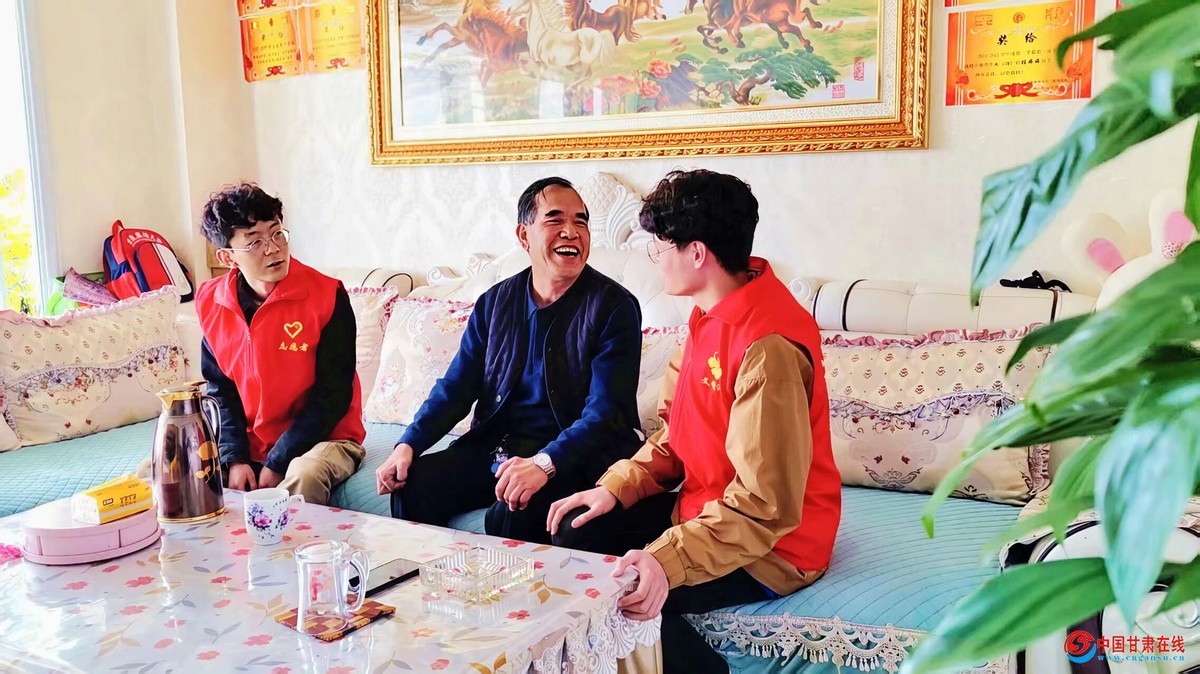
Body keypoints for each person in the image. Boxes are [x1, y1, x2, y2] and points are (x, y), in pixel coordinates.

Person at [547, 169, 842, 672]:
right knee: (576, 533)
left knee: (616, 595)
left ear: (697, 253)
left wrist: (664, 561)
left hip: (772, 544)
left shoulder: (767, 347)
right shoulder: (709, 315)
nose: (656, 257)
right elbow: (676, 433)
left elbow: (765, 506)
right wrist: (615, 488)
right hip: (706, 510)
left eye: (660, 246)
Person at [375, 177, 644, 543]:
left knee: (513, 512)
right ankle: (433, 578)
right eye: (555, 219)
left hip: (573, 456)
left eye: (580, 222)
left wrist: (544, 464)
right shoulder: (495, 302)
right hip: (498, 447)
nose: (571, 232)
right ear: (524, 235)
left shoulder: (613, 307)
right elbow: (456, 387)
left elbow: (605, 413)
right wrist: (408, 444)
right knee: (414, 486)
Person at [196, 182, 366, 505]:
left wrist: (277, 461)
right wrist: (234, 458)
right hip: (251, 444)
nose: (273, 249)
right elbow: (221, 389)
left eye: (276, 234)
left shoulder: (327, 296)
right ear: (227, 257)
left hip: (327, 438)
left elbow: (333, 396)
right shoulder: (211, 302)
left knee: (304, 475)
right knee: (168, 466)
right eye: (254, 242)